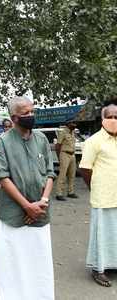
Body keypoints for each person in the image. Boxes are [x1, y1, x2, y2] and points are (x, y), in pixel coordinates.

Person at [0, 96, 56, 300]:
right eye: (25, 113)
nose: (31, 116)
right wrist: (27, 206)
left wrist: (41, 203)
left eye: (32, 111)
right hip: (14, 214)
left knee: (40, 263)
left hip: (40, 214)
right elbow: (2, 177)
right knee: (11, 262)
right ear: (14, 118)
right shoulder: (3, 142)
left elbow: (50, 173)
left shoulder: (41, 139)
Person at [79, 101, 117, 287]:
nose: (113, 120)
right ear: (102, 119)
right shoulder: (93, 141)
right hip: (102, 196)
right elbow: (85, 169)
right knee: (101, 233)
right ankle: (98, 269)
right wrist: (96, 188)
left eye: (116, 117)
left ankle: (113, 264)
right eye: (109, 117)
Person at [55, 119, 79, 201]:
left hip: (72, 155)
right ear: (68, 124)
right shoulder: (63, 132)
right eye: (72, 123)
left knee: (72, 174)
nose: (74, 125)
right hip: (64, 154)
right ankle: (59, 193)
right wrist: (59, 157)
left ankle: (70, 192)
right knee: (62, 174)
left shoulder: (72, 133)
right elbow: (58, 145)